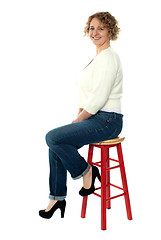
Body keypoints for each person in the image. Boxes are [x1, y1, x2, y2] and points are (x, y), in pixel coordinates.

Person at [39, 11, 123, 219]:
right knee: (56, 143)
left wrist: (78, 120)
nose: (95, 32)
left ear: (110, 31)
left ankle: (87, 171)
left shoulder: (109, 58)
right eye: (92, 28)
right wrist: (78, 116)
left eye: (101, 28)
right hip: (95, 117)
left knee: (52, 137)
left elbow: (98, 98)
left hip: (108, 120)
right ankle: (56, 199)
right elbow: (86, 94)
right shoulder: (97, 58)